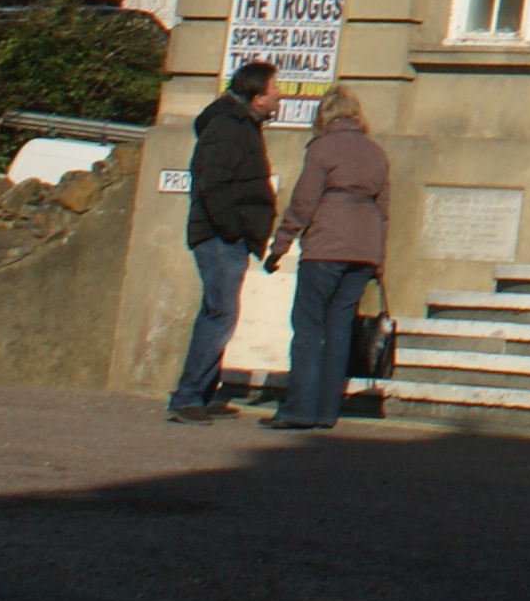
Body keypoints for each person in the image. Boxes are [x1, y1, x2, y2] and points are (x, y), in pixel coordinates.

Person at [262, 84, 390, 433]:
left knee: (308, 328)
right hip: (363, 250)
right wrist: (378, 259)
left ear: (325, 114)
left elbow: (304, 202)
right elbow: (383, 210)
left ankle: (300, 408)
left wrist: (280, 244)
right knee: (339, 330)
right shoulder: (376, 153)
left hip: (325, 246)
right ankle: (326, 410)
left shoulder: (322, 148)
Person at [165, 59, 281, 421]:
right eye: (275, 89)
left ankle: (201, 393)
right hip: (219, 238)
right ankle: (188, 396)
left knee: (218, 312)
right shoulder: (228, 127)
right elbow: (213, 184)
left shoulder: (239, 125)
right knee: (220, 314)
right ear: (258, 96)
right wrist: (233, 229)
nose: (279, 96)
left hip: (226, 237)